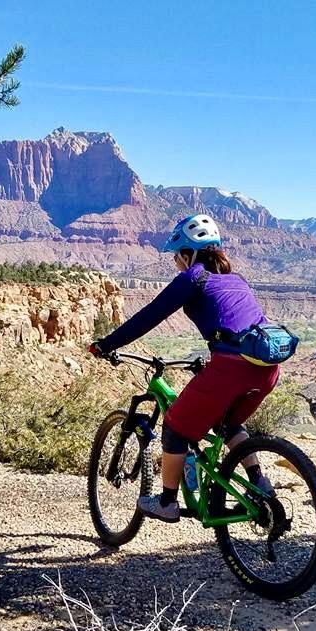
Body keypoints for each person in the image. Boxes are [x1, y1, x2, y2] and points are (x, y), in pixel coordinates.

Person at [90, 214, 279, 523]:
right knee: (227, 424)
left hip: (232, 369)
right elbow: (235, 323)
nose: (176, 261)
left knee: (175, 424)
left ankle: (166, 501)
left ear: (188, 253)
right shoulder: (237, 279)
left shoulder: (193, 277)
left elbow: (148, 317)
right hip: (266, 368)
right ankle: (259, 483)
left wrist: (107, 344)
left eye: (177, 255)